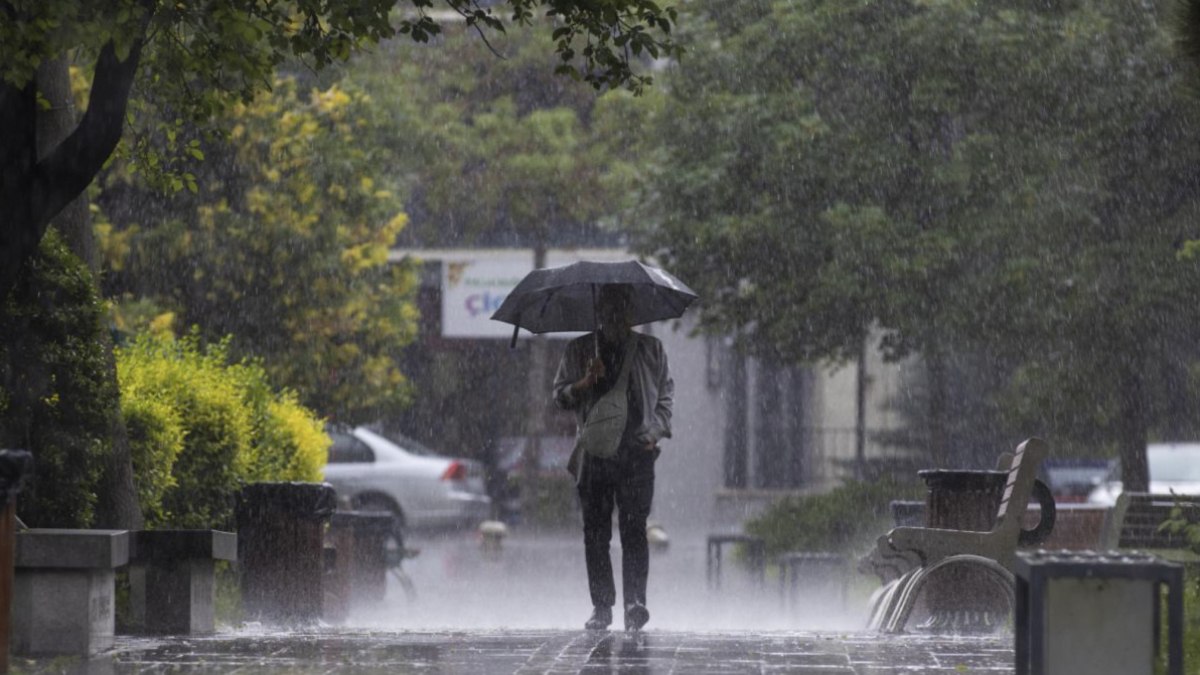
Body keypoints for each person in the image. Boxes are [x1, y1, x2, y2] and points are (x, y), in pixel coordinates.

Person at [552, 283, 674, 632]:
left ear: (630, 311)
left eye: (620, 307)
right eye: (607, 308)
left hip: (638, 453)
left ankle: (636, 603)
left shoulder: (651, 349)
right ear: (599, 311)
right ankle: (602, 607)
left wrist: (654, 433)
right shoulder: (579, 350)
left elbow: (666, 396)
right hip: (595, 456)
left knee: (634, 529)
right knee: (595, 533)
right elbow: (559, 396)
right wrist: (585, 382)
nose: (613, 315)